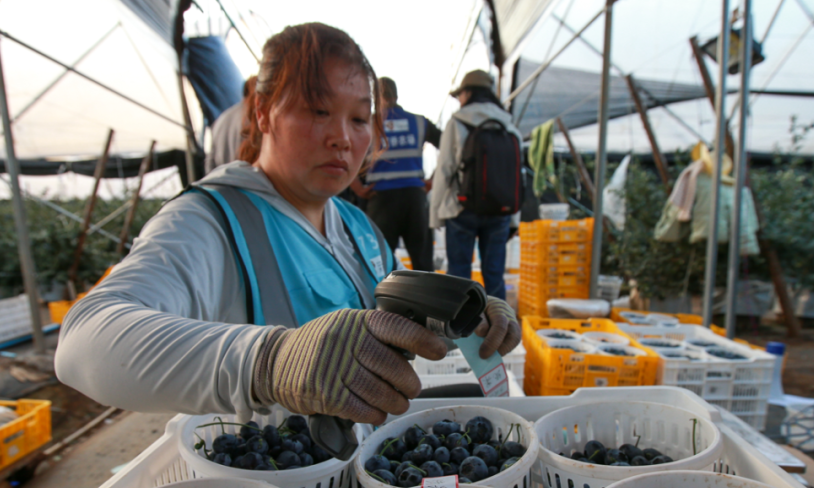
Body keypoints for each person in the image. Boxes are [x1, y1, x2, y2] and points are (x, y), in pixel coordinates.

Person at [56, 24, 521, 425]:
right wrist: (269, 362)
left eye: (359, 118)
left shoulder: (357, 226)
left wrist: (464, 319)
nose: (342, 137)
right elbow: (82, 343)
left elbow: (385, 330)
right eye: (318, 110)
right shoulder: (211, 221)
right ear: (262, 112)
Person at [429, 70, 523, 301]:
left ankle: (459, 332)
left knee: (459, 276)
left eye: (460, 94)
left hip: (462, 210)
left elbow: (444, 170)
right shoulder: (510, 126)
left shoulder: (458, 122)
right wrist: (513, 219)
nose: (460, 99)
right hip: (499, 211)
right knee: (494, 275)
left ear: (468, 93)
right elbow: (517, 177)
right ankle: (499, 330)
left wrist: (435, 215)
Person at [352, 77, 441, 272]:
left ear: (376, 97)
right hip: (415, 199)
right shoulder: (419, 122)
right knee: (423, 264)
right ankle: (427, 302)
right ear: (397, 95)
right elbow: (451, 149)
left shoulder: (368, 123)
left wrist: (358, 188)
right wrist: (433, 181)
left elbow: (346, 153)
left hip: (381, 199)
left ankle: (382, 302)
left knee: (377, 264)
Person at [204, 75, 257, 173]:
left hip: (223, 181)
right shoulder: (254, 116)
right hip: (247, 179)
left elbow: (209, 163)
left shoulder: (221, 119)